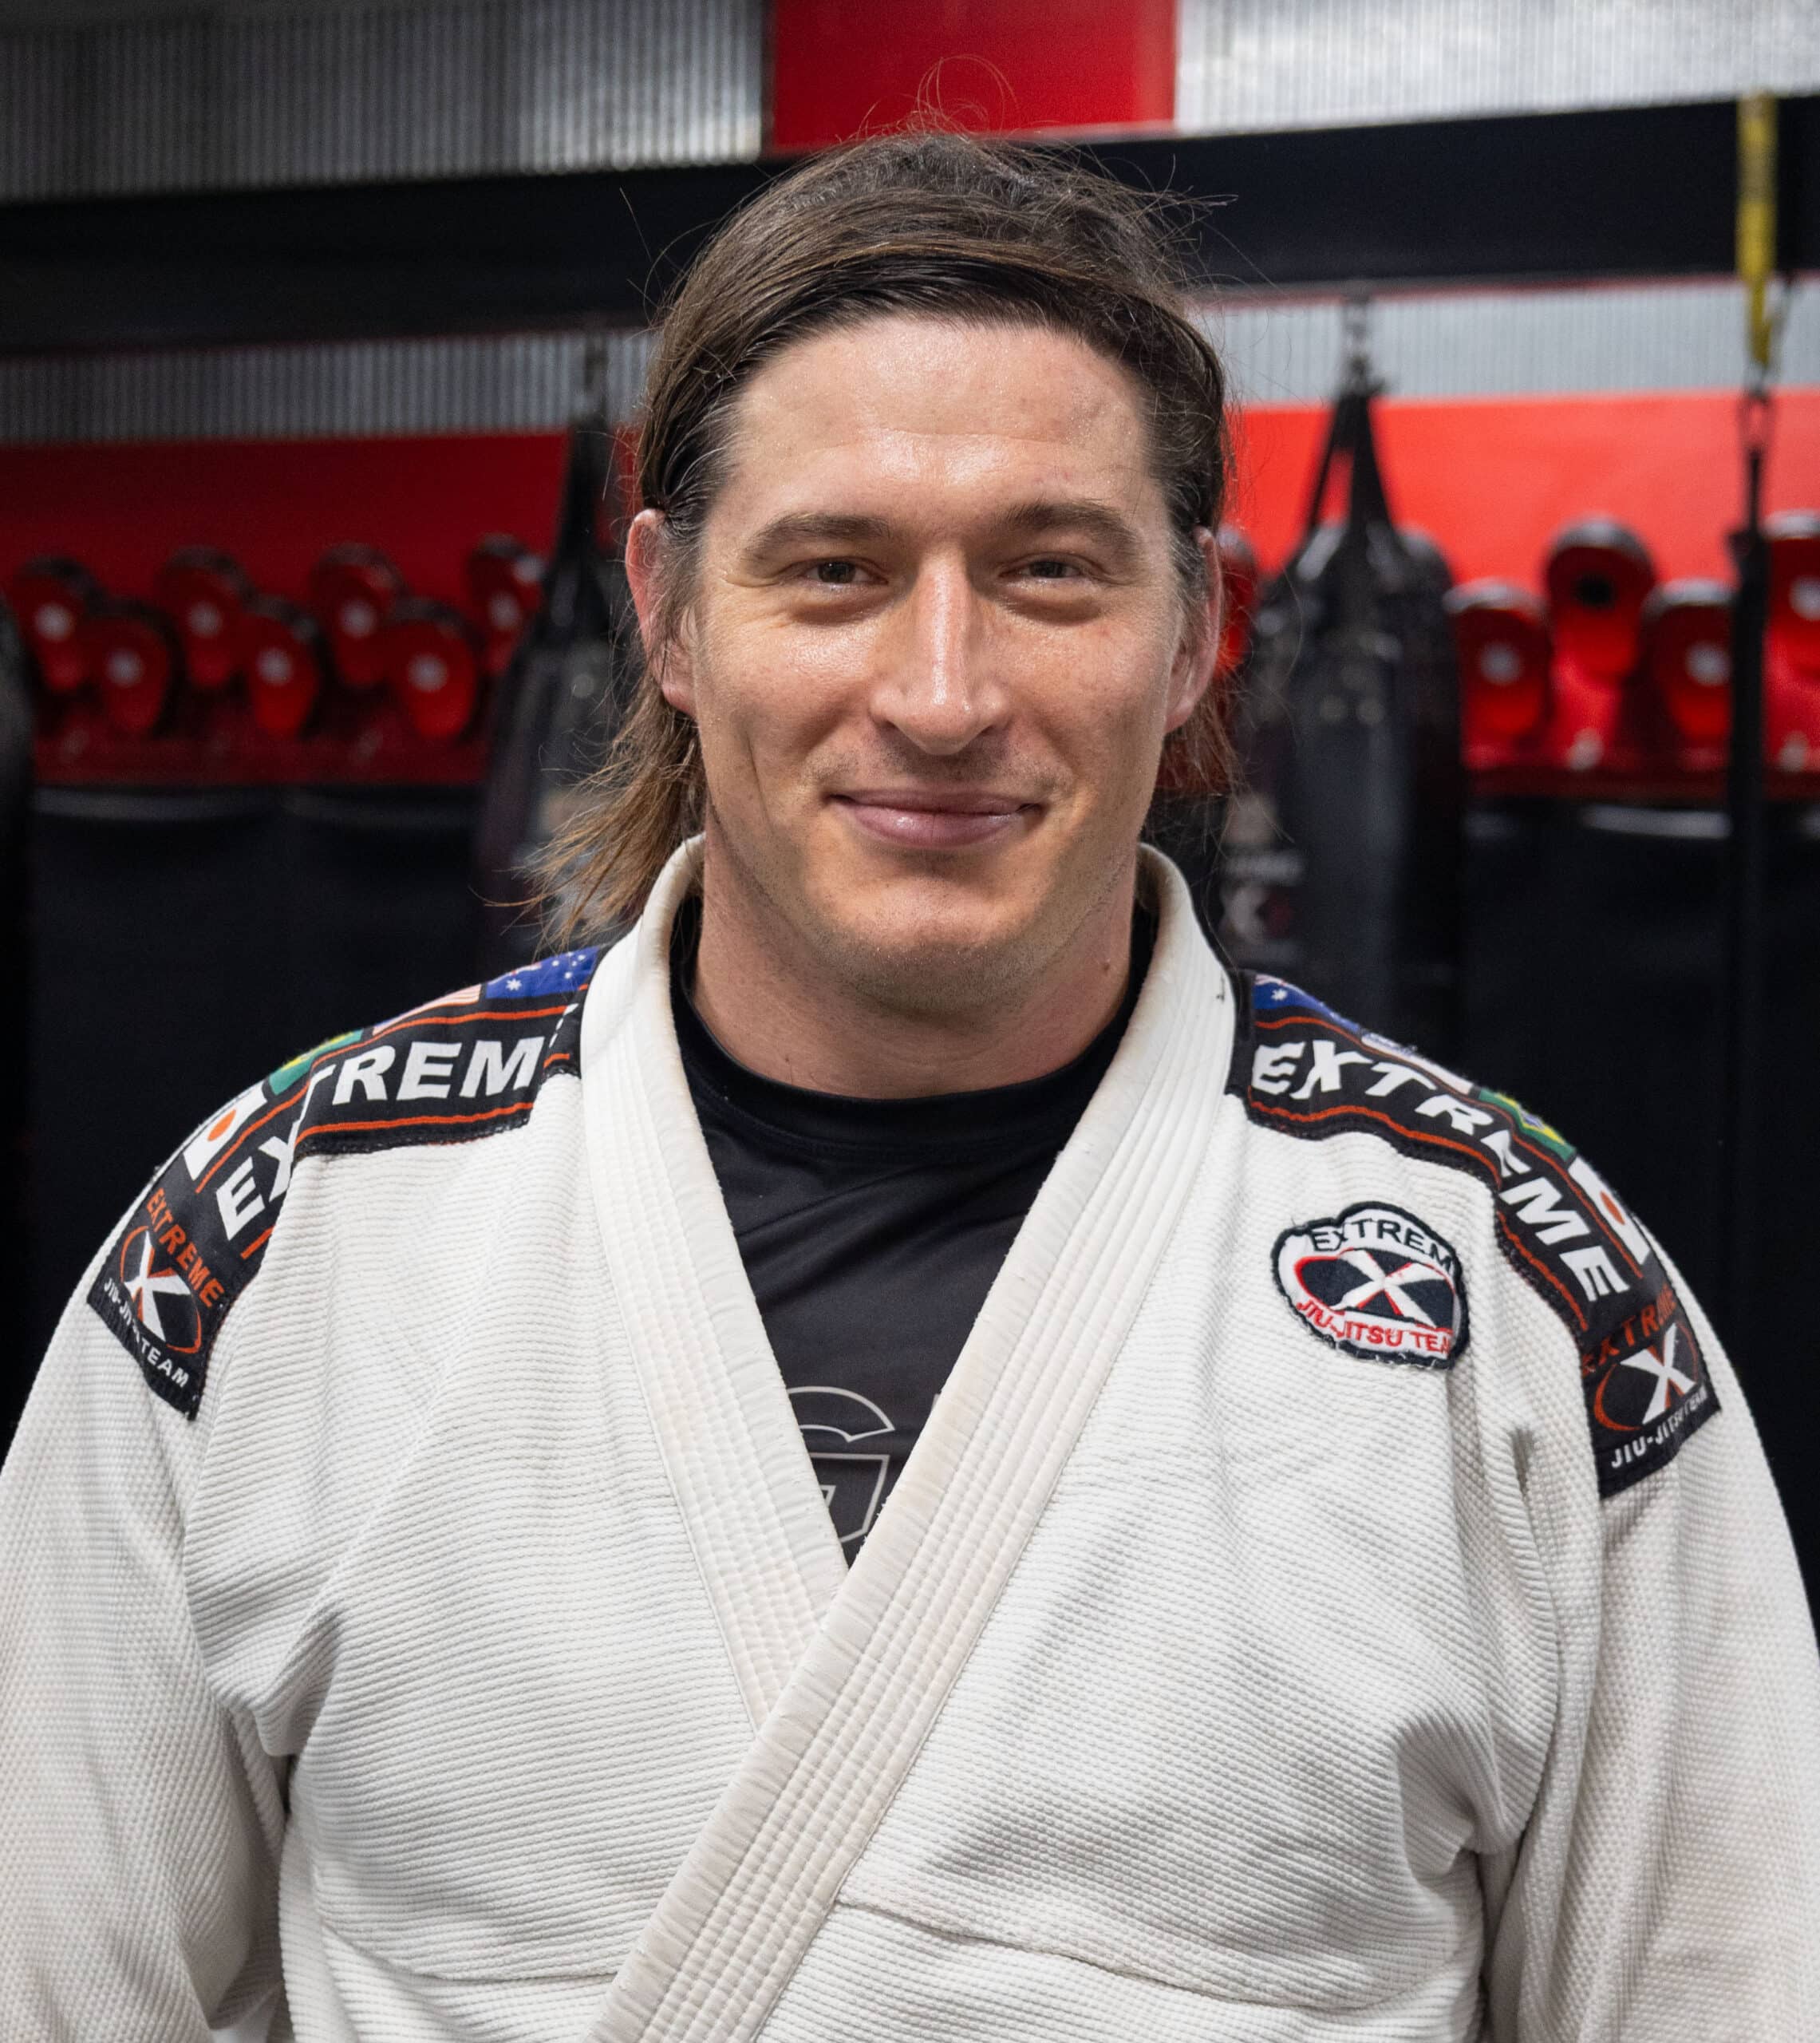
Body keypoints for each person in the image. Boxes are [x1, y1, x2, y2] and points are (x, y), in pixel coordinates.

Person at [2, 132, 1816, 2043]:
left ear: (1195, 625)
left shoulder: (1518, 1291)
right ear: (668, 610)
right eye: (835, 570)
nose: (942, 694)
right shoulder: (277, 1241)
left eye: (1049, 571)